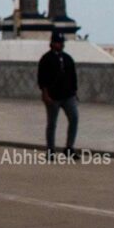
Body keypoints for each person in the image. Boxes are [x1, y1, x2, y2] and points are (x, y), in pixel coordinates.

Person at [38, 30, 78, 160]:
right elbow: (42, 78)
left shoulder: (67, 58)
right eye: (58, 43)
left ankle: (69, 147)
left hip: (68, 96)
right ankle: (50, 150)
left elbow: (73, 76)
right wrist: (45, 94)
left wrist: (74, 92)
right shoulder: (46, 59)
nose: (61, 45)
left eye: (62, 43)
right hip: (53, 96)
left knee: (74, 118)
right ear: (53, 43)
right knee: (52, 124)